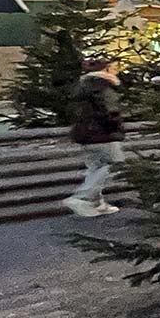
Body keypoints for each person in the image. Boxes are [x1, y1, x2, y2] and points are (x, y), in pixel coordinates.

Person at [64, 57, 124, 217]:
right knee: (114, 163)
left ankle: (97, 203)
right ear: (106, 69)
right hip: (102, 134)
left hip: (83, 133)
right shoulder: (104, 87)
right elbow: (110, 111)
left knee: (96, 167)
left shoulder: (82, 87)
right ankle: (83, 197)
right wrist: (116, 127)